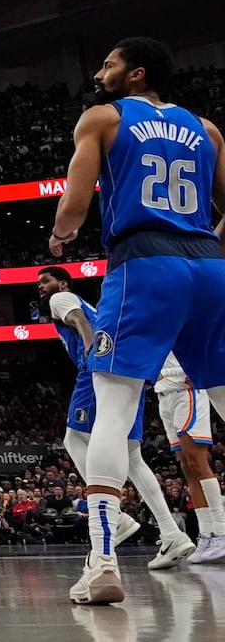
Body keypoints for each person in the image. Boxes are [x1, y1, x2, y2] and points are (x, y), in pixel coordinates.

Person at [48, 38, 225, 604]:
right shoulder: (207, 128)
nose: (101, 72)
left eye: (109, 64)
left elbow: (74, 207)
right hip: (209, 265)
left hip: (145, 264)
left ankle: (102, 564)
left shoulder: (102, 116)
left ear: (136, 73)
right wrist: (204, 245)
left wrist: (60, 237)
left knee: (114, 404)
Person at [37, 265, 186, 563]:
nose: (41, 286)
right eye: (39, 282)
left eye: (46, 280)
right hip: (126, 372)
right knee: (132, 457)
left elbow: (78, 320)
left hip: (97, 370)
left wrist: (91, 350)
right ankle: (172, 534)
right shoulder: (91, 304)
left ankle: (115, 517)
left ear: (62, 283)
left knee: (75, 439)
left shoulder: (61, 299)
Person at [153, 354, 225, 562]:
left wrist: (164, 374)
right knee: (186, 466)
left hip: (187, 391)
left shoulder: (181, 322)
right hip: (164, 395)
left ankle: (220, 530)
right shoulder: (155, 326)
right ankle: (206, 533)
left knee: (198, 463)